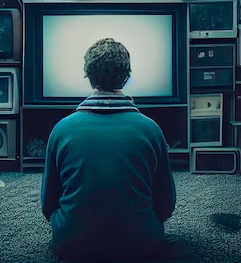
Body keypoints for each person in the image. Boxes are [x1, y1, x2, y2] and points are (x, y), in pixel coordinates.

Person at [41, 37, 183, 262]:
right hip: (141, 244)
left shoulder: (61, 130)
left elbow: (48, 206)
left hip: (71, 244)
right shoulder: (151, 129)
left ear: (88, 76)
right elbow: (166, 206)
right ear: (126, 77)